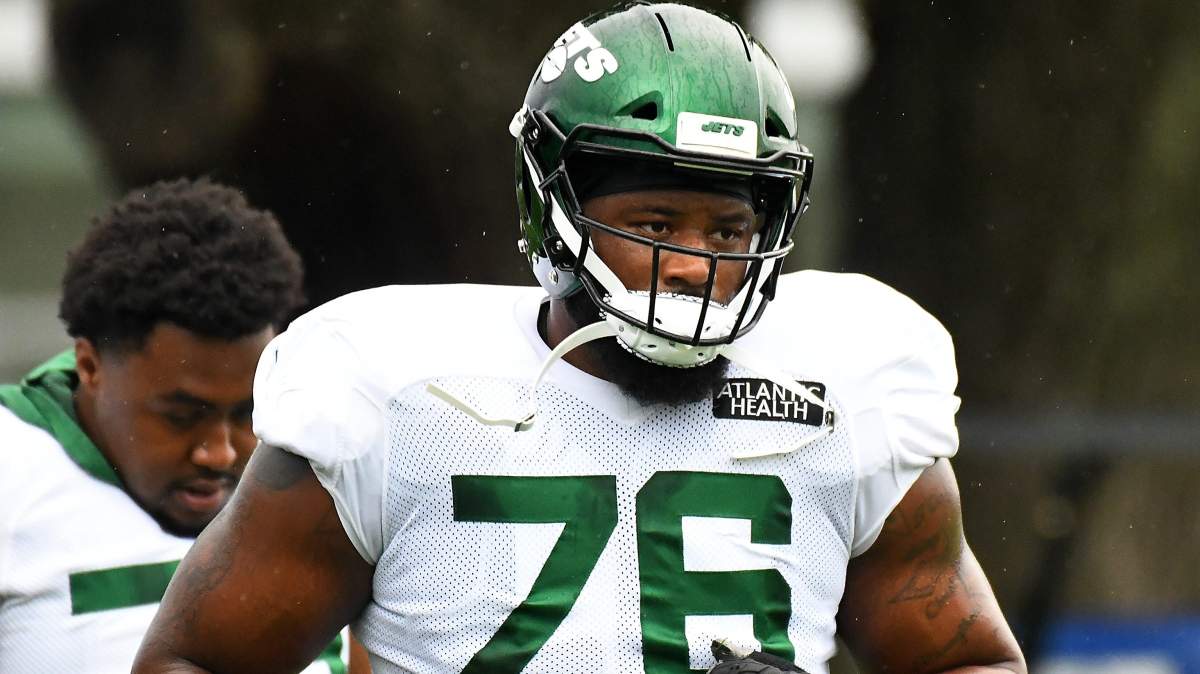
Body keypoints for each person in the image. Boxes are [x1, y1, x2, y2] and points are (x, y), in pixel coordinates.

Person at [134, 4, 1026, 674]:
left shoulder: (849, 384)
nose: (695, 264)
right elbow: (193, 661)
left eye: (728, 229)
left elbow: (968, 660)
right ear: (551, 211)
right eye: (655, 223)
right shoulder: (393, 389)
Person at [0, 178, 354, 672]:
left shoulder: (324, 454)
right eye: (182, 416)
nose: (219, 453)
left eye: (248, 413)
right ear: (90, 366)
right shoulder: (12, 470)